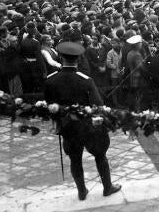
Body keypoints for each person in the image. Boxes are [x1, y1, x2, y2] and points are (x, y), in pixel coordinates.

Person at [44, 42, 121, 201]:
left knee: (75, 159)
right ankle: (107, 187)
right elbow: (99, 105)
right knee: (100, 156)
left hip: (68, 128)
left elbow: (49, 105)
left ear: (60, 57)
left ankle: (81, 191)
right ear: (78, 59)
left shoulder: (51, 80)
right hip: (88, 128)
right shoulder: (86, 80)